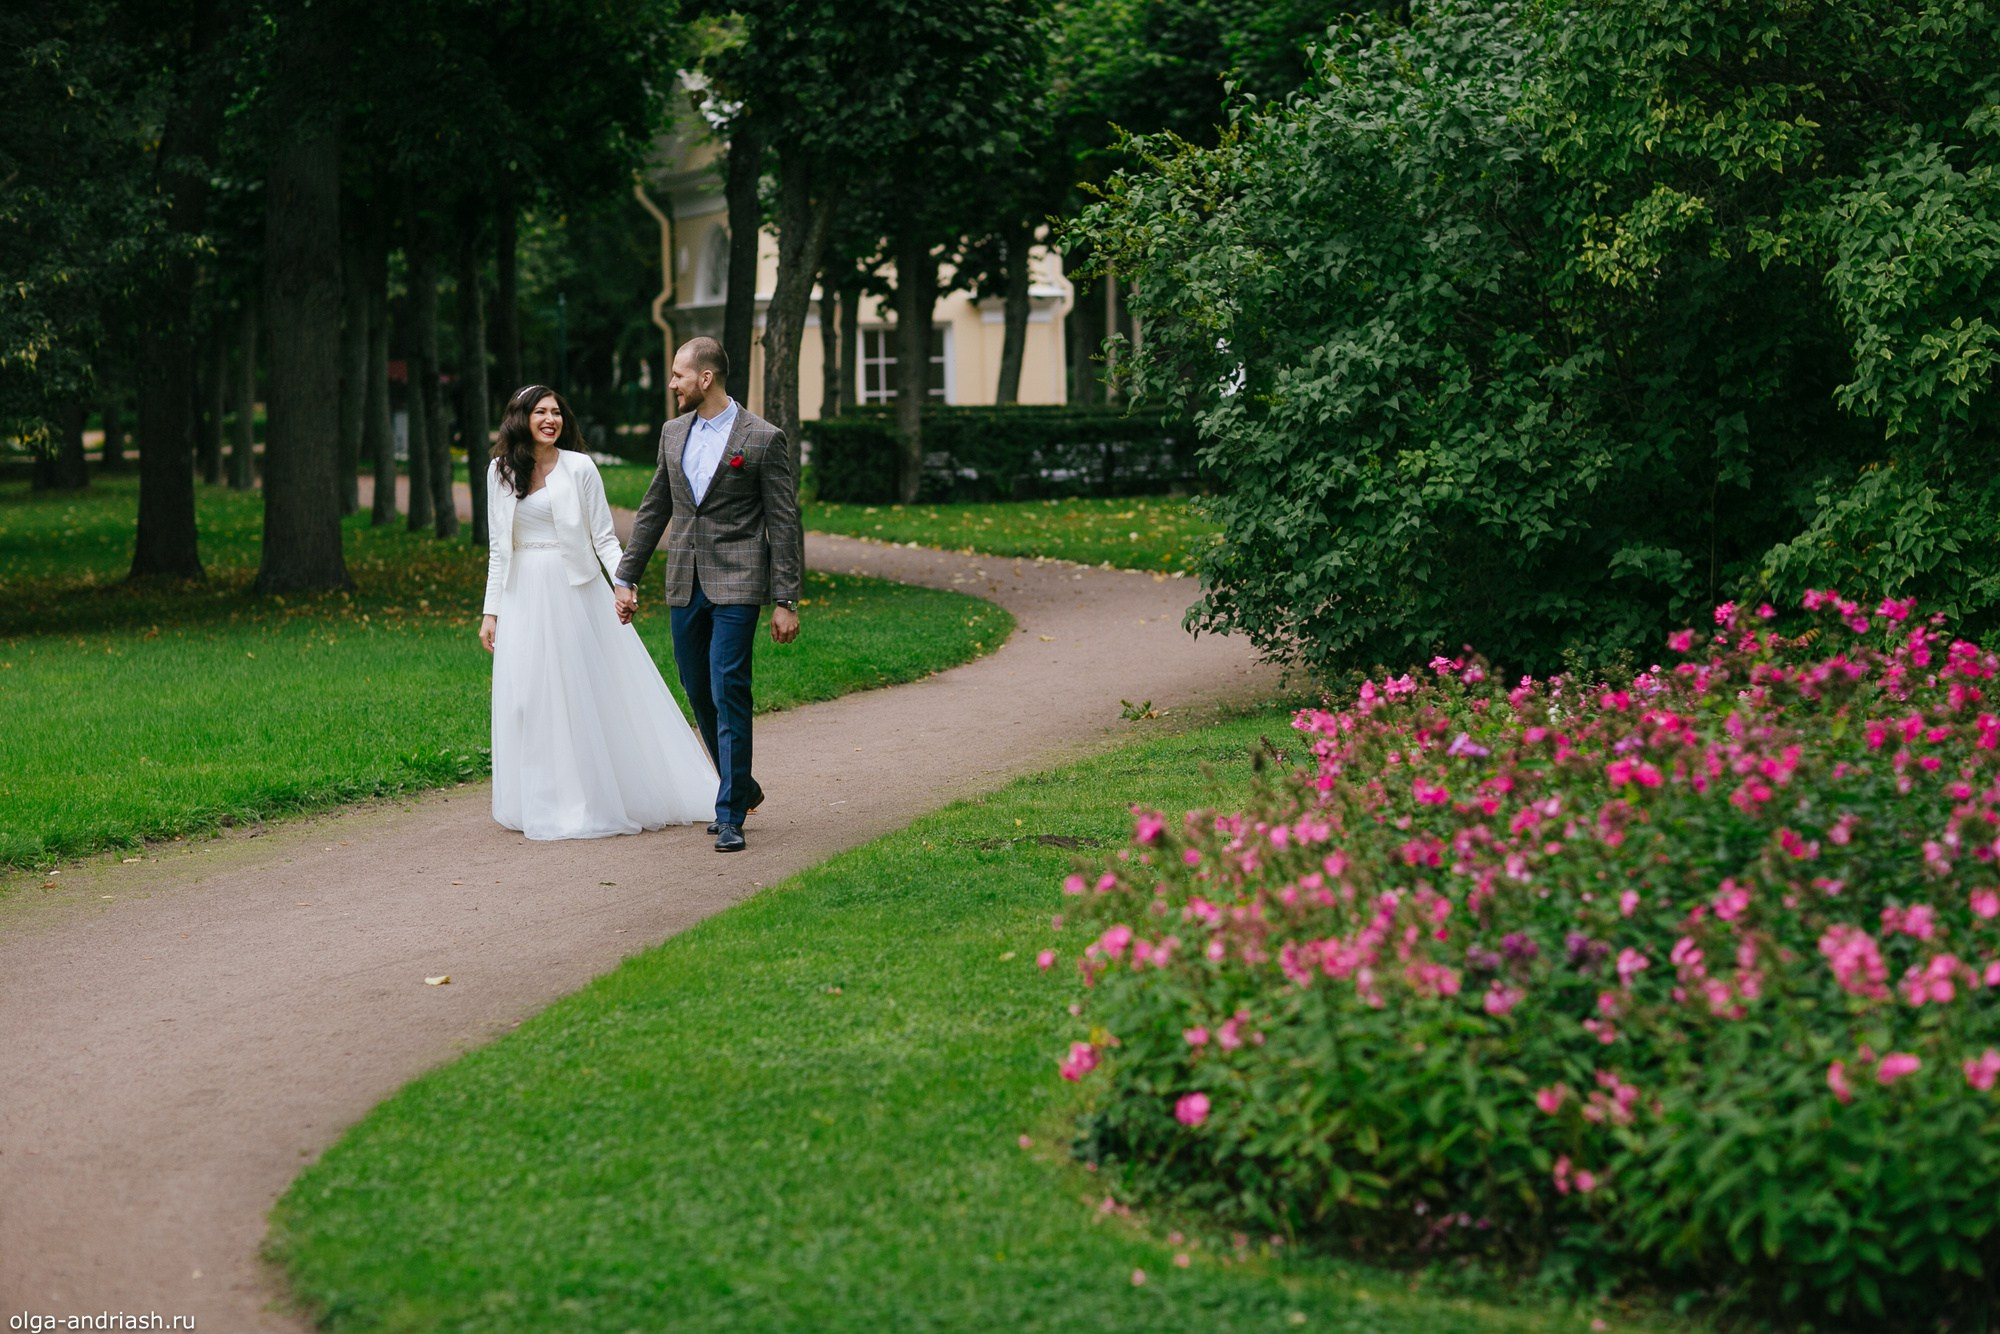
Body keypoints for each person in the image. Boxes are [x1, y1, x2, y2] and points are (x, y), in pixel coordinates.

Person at [481, 384, 717, 840]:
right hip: (522, 594)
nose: (550, 420)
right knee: (528, 696)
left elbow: (605, 538)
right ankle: (539, 797)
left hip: (575, 590)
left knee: (575, 692)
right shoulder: (500, 472)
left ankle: (588, 798)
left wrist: (622, 583)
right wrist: (492, 612)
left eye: (556, 413)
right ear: (520, 418)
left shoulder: (580, 467)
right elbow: (498, 548)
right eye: (540, 413)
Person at [614, 337, 802, 853]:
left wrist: (785, 599)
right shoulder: (673, 433)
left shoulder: (762, 438)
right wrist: (626, 576)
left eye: (678, 375)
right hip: (684, 583)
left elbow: (784, 523)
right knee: (698, 689)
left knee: (728, 687)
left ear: (705, 378)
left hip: (739, 583)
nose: (671, 383)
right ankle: (742, 784)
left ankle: (729, 814)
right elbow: (656, 508)